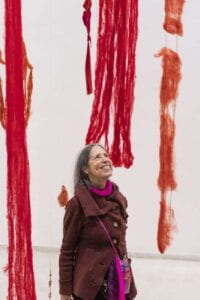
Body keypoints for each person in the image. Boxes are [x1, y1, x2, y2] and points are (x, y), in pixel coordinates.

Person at [59, 144, 137, 300]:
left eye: (106, 155)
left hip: (120, 280)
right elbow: (67, 251)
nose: (105, 160)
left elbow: (121, 243)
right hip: (91, 289)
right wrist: (65, 291)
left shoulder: (119, 199)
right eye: (97, 157)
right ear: (85, 169)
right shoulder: (77, 204)